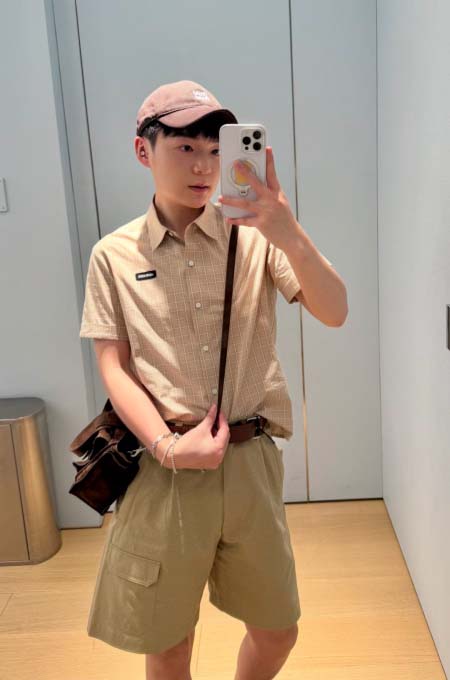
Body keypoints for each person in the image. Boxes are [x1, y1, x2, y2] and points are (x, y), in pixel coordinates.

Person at [79, 79, 347, 680]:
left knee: (277, 630)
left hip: (250, 463)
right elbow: (112, 365)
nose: (203, 166)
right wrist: (168, 447)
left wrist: (288, 231)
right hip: (164, 469)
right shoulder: (113, 255)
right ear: (144, 150)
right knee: (169, 642)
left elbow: (335, 311)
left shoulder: (255, 238)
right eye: (184, 148)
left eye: (213, 148)